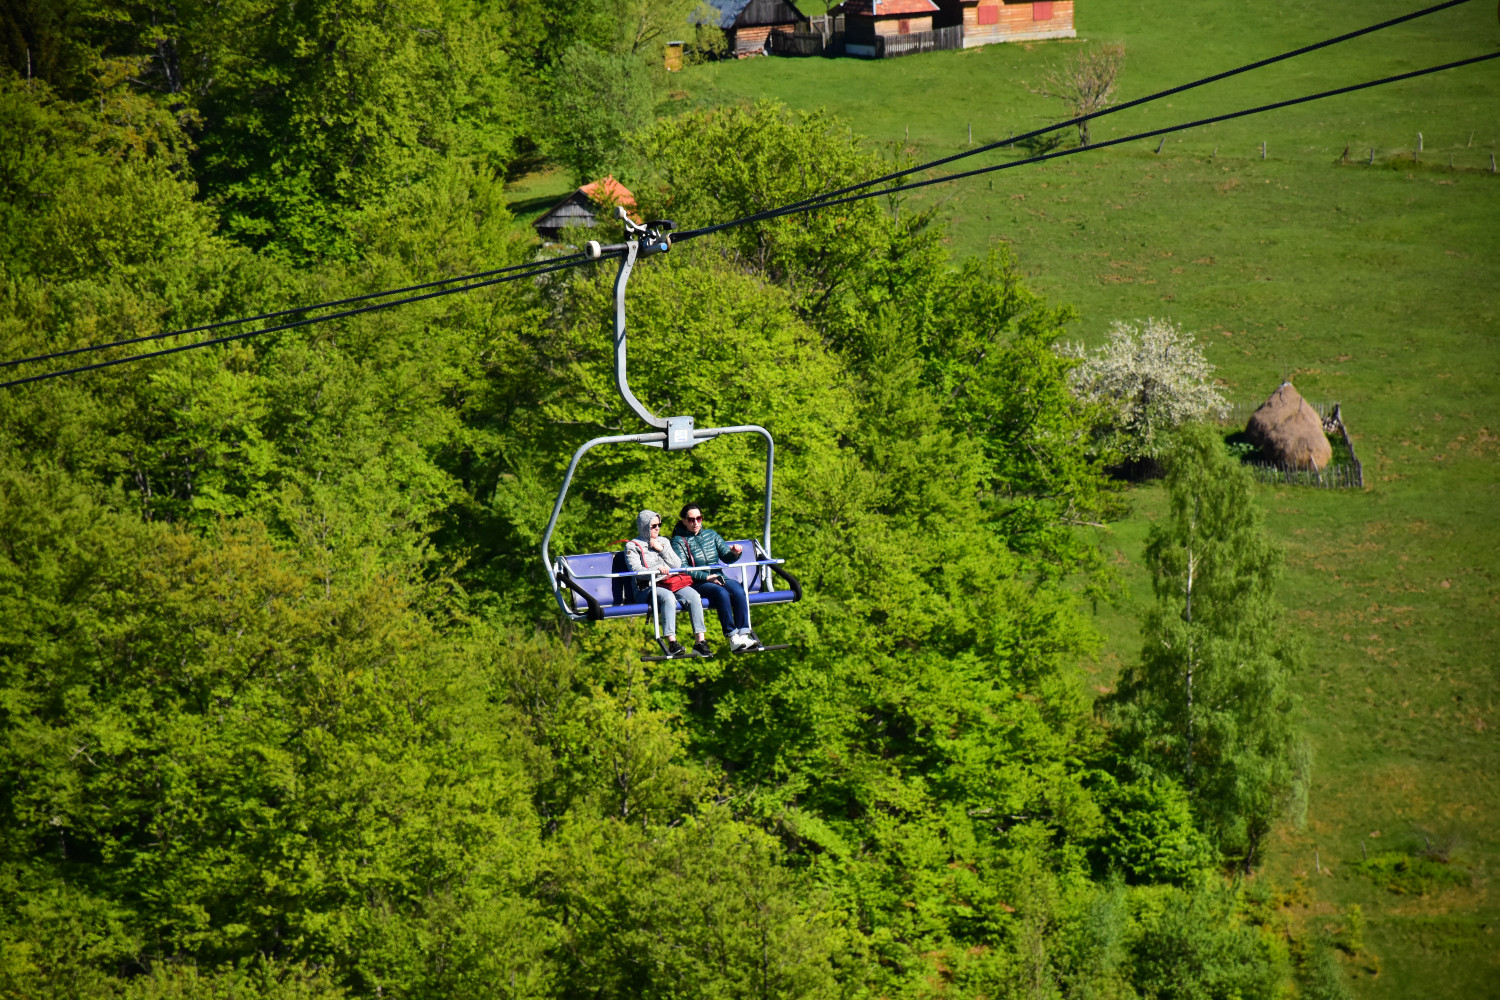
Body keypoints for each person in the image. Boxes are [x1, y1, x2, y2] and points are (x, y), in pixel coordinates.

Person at [670, 503, 761, 652]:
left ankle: (743, 634)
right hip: (698, 581)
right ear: (684, 521)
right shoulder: (678, 541)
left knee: (738, 591)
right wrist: (706, 577)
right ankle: (732, 636)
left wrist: (735, 553)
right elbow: (683, 568)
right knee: (721, 593)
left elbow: (726, 556)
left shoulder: (711, 535)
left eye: (699, 518)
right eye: (691, 520)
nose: (695, 523)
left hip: (719, 576)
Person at [623, 509, 705, 658]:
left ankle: (700, 642)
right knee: (668, 597)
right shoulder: (632, 546)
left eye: (659, 525)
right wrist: (656, 570)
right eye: (653, 526)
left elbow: (677, 564)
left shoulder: (664, 541)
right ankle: (672, 641)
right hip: (647, 586)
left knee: (694, 596)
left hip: (669, 582)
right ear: (644, 527)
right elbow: (635, 570)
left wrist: (661, 549)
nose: (657, 528)